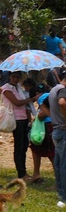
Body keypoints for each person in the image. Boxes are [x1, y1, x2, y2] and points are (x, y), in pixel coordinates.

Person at [2, 70, 32, 180]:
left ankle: (23, 171)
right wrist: (31, 99)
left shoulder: (18, 87)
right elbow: (17, 102)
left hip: (23, 118)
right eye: (13, 77)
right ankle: (21, 173)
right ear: (9, 76)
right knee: (19, 146)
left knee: (24, 145)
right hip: (16, 119)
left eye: (18, 77)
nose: (15, 79)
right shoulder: (6, 88)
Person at [49, 76, 66, 204]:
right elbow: (62, 103)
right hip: (62, 130)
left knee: (59, 163)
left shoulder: (54, 89)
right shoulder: (63, 89)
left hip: (56, 130)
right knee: (64, 164)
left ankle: (61, 192)